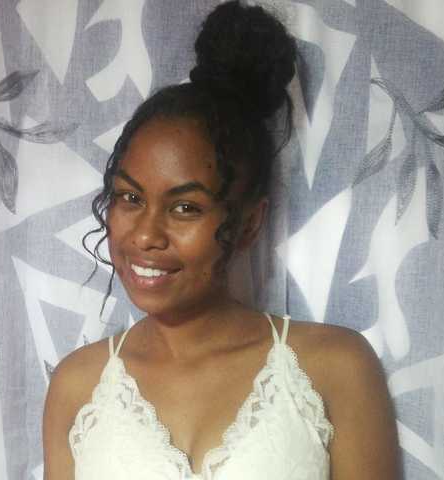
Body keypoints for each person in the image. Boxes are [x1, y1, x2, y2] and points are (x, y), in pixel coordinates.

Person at [43, 1, 400, 479]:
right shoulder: (76, 387)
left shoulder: (335, 368)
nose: (145, 234)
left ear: (250, 223)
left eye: (185, 207)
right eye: (130, 197)